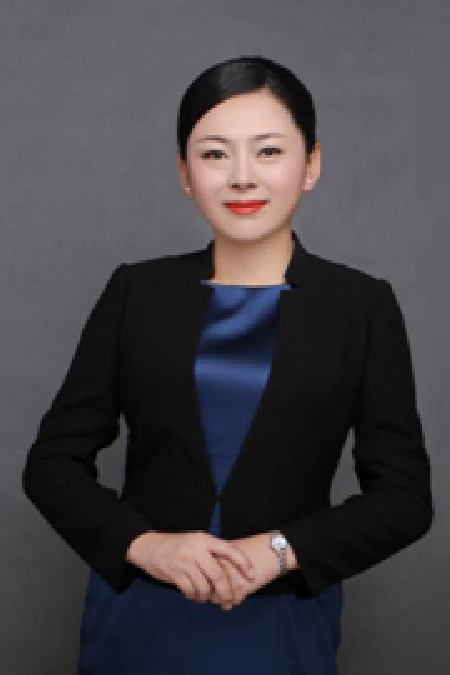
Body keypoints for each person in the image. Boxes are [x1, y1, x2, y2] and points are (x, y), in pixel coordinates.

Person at [22, 55, 434, 675]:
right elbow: (52, 463)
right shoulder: (137, 292)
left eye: (268, 151)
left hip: (282, 622)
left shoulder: (363, 306)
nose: (242, 177)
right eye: (215, 154)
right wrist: (145, 545)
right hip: (138, 616)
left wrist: (280, 550)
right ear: (185, 174)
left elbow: (404, 499)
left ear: (311, 165)